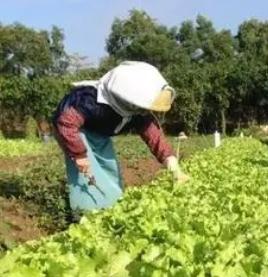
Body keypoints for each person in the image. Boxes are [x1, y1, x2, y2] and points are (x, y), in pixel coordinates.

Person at [52, 61, 189, 212]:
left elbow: (153, 135)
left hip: (100, 134)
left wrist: (170, 162)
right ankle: (86, 214)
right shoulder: (90, 101)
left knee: (110, 170)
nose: (145, 111)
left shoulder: (137, 110)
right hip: (75, 133)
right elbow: (66, 123)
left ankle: (112, 209)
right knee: (86, 176)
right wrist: (79, 155)